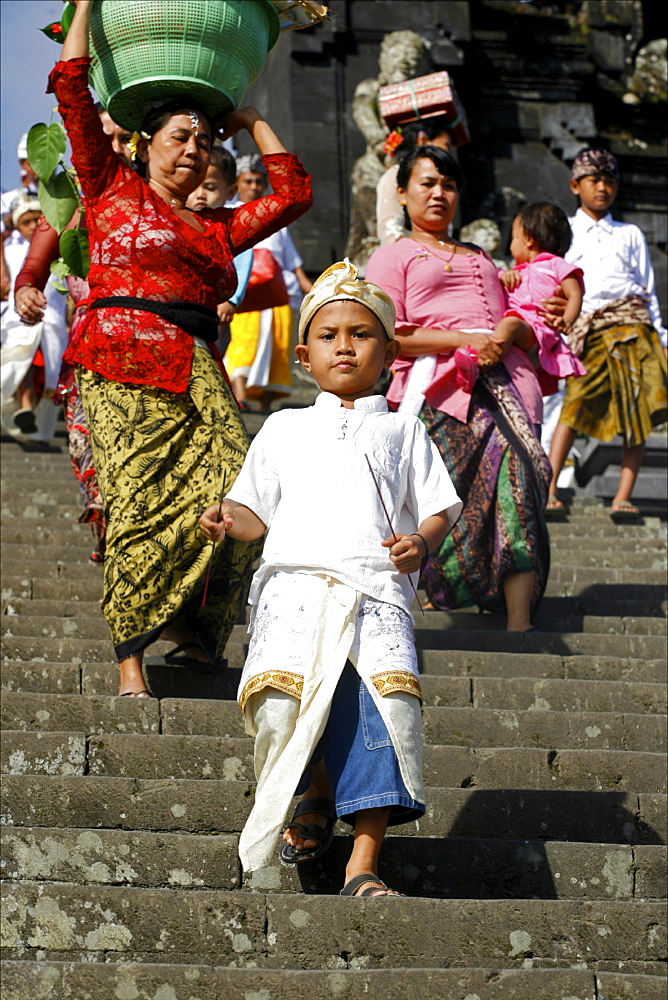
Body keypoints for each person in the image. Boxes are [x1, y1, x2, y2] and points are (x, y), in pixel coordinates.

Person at [51, 0, 312, 697]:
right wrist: (83, 4)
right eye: (180, 138)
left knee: (241, 499)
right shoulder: (109, 188)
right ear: (143, 142)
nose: (195, 151)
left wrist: (250, 118)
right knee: (138, 503)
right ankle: (130, 654)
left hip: (197, 370)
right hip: (119, 360)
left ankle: (195, 632)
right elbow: (72, 85)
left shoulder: (217, 230)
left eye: (204, 143)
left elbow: (291, 194)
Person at [200, 260, 461, 894]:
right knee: (284, 710)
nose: (344, 345)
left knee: (383, 713)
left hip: (375, 590)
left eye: (361, 333)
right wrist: (224, 517)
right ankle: (313, 798)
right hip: (294, 590)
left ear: (390, 352)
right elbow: (254, 513)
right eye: (328, 334)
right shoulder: (285, 426)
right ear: (303, 354)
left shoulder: (404, 429)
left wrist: (419, 543)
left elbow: (439, 507)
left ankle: (363, 863)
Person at [366, 146, 551, 632]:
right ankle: (468, 593)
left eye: (447, 185)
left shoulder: (483, 258)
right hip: (439, 388)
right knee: (453, 497)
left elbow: (524, 322)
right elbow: (388, 335)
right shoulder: (393, 256)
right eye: (426, 183)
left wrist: (510, 331)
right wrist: (461, 340)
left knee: (523, 466)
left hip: (504, 383)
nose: (438, 194)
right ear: (402, 193)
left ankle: (519, 621)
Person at [13, 109, 134, 563]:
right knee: (89, 441)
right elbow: (33, 268)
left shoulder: (153, 194)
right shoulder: (68, 198)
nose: (117, 150)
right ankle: (105, 523)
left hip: (153, 347)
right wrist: (26, 291)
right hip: (89, 346)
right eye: (106, 139)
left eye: (127, 139)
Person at [547, 148, 667, 518]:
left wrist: (662, 338)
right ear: (575, 185)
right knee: (575, 403)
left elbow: (647, 288)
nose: (603, 188)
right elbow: (552, 277)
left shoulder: (629, 233)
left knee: (639, 409)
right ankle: (548, 487)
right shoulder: (565, 231)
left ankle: (622, 496)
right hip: (589, 327)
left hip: (634, 324)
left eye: (609, 181)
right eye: (594, 181)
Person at [225, 153, 313, 410]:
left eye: (258, 181)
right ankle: (239, 394)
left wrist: (315, 291)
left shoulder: (276, 217)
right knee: (245, 340)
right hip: (244, 291)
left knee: (276, 347)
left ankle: (264, 404)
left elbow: (293, 265)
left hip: (278, 293)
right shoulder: (228, 214)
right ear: (236, 185)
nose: (253, 186)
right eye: (248, 181)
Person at [499, 202, 586, 397]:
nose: (511, 244)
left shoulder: (557, 265)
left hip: (538, 328)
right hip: (521, 329)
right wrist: (504, 277)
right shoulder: (516, 271)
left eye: (514, 237)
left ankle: (482, 361)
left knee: (509, 325)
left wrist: (567, 320)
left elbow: (574, 294)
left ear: (528, 240)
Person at [1, 196, 67, 445]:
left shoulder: (64, 252)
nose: (31, 226)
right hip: (16, 319)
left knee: (47, 374)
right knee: (21, 361)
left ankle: (35, 426)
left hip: (52, 322)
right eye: (25, 222)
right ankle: (25, 406)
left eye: (37, 220)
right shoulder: (10, 250)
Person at [186, 145, 253, 356]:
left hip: (216, 308)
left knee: (213, 353)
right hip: (184, 306)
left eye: (210, 188)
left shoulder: (231, 227)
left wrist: (231, 300)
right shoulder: (180, 221)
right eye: (193, 186)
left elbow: (242, 260)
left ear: (231, 191)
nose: (200, 195)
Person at [376, 115, 453, 246]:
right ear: (423, 140)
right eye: (447, 146)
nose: (439, 194)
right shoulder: (395, 175)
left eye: (448, 187)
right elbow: (390, 229)